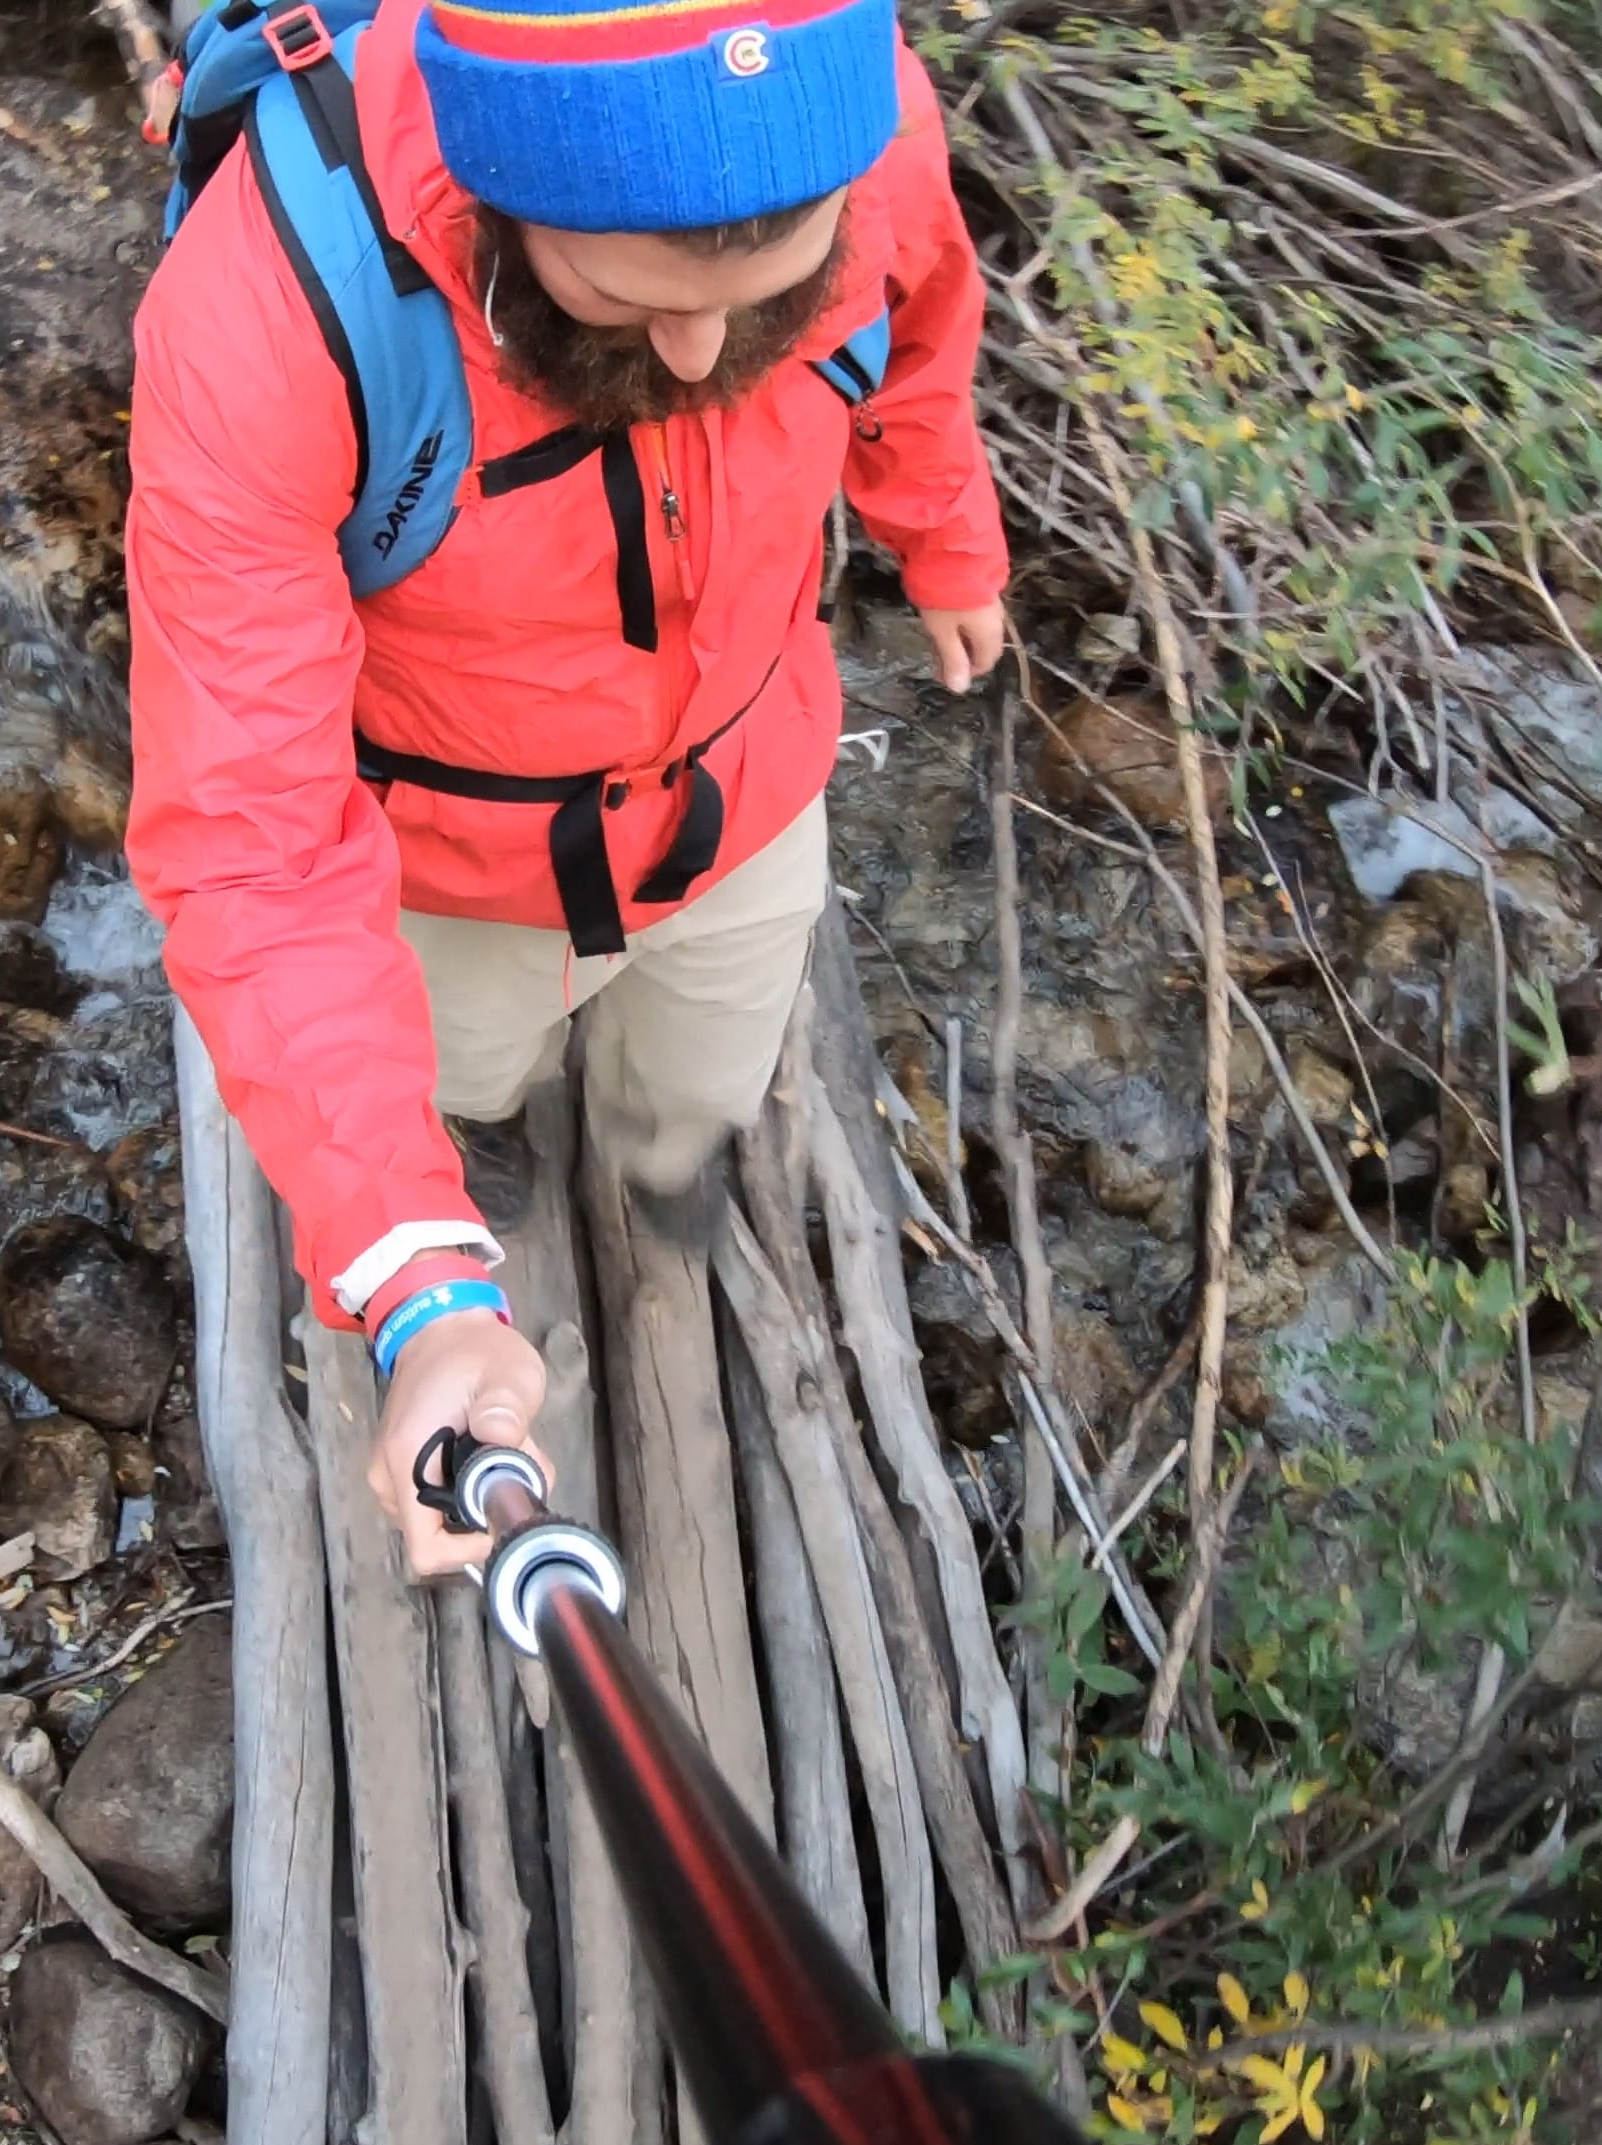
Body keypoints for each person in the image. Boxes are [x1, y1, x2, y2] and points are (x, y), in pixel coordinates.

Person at [126, 0, 1007, 1577]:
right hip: (446, 870)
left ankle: (664, 1187)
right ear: (487, 183)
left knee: (700, 1089)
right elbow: (249, 837)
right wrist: (417, 1273)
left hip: (746, 788)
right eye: (623, 290)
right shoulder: (273, 307)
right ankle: (480, 1158)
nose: (693, 355)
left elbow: (920, 330)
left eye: (762, 300)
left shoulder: (871, 134)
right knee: (461, 1085)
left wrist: (941, 531)